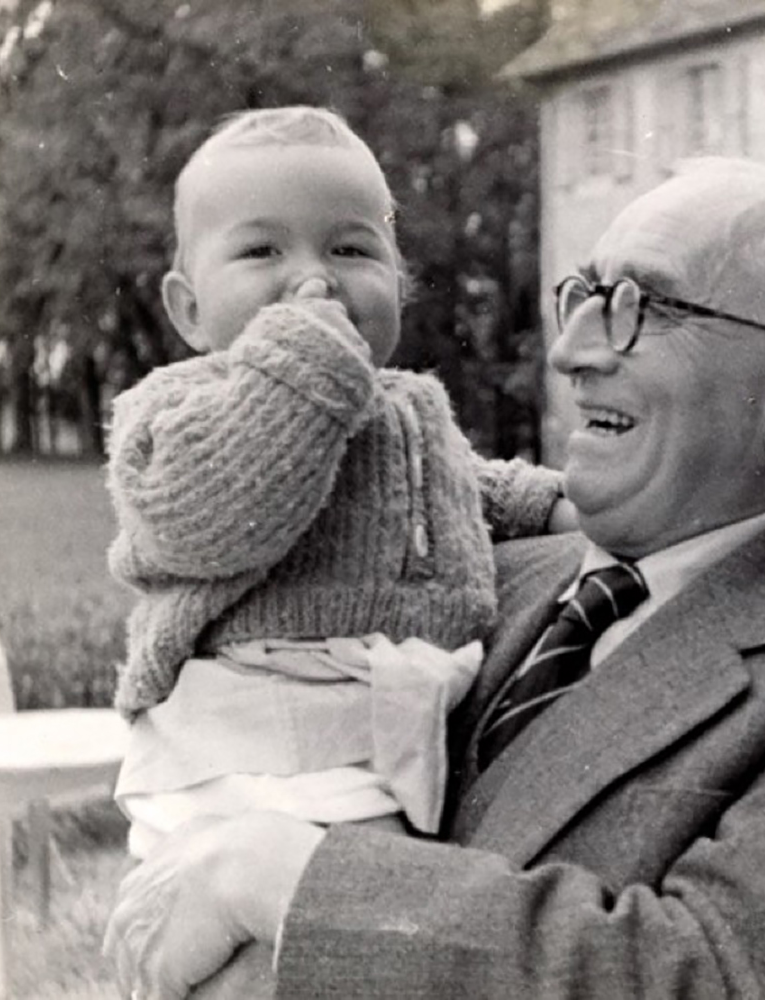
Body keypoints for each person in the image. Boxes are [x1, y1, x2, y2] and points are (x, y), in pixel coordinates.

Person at [104, 158, 765, 999]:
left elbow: (731, 977)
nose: (572, 351)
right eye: (585, 296)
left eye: (647, 308)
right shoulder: (464, 578)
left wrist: (277, 879)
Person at [103, 106, 568, 992]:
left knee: (363, 954)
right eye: (262, 253)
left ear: (401, 280)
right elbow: (207, 513)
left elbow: (469, 491)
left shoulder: (406, 405)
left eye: (351, 250)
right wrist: (302, 364)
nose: (311, 281)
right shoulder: (174, 409)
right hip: (251, 750)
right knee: (280, 962)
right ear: (188, 308)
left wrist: (558, 506)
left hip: (373, 744)